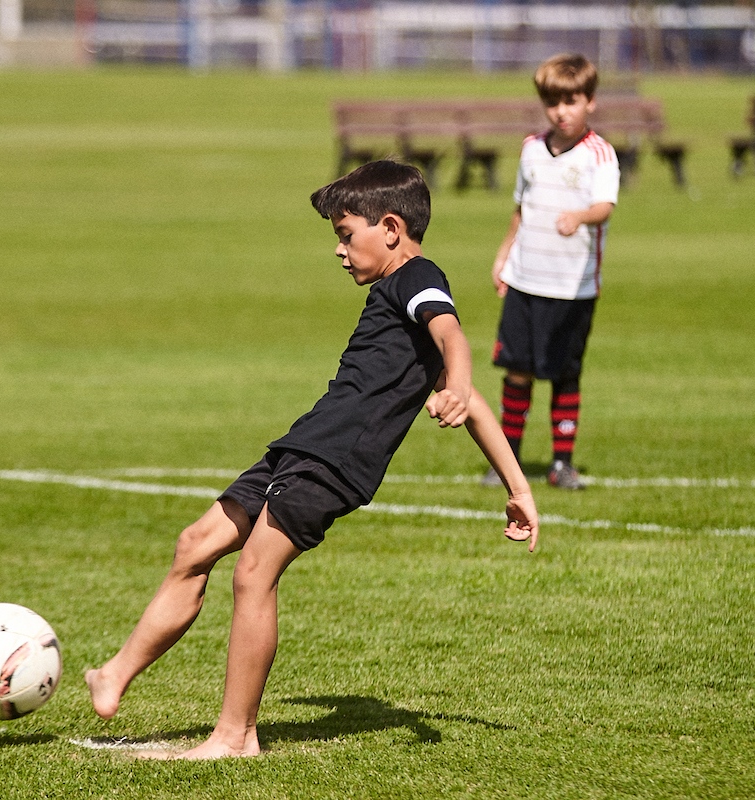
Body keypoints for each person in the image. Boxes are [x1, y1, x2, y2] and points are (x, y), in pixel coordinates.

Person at [85, 160, 539, 759]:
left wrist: (455, 380)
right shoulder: (394, 296)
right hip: (302, 445)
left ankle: (235, 734)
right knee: (195, 543)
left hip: (333, 461)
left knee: (253, 574)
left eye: (346, 234)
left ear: (392, 229)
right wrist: (518, 485)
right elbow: (477, 406)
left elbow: (454, 337)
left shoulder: (418, 278)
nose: (339, 249)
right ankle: (115, 674)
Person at [482, 53, 620, 491]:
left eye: (571, 101)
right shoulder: (530, 149)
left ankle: (562, 464)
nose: (562, 111)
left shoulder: (599, 154)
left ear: (590, 102)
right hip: (526, 279)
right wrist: (504, 252)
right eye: (553, 102)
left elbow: (605, 206)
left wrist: (580, 217)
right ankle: (508, 461)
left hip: (571, 287)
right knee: (517, 370)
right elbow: (521, 207)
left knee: (563, 372)